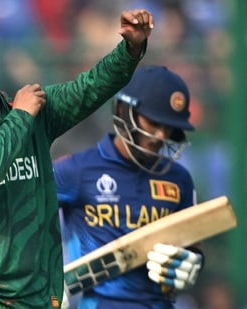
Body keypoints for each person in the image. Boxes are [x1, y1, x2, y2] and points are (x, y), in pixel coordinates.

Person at [0, 9, 154, 309]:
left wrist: (130, 50)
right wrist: (21, 117)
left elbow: (89, 88)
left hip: (33, 294)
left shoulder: (33, 114)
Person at [53, 65, 203, 309]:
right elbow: (24, 221)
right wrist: (45, 275)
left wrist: (192, 264)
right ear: (124, 110)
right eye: (153, 122)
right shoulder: (76, 170)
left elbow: (193, 244)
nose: (160, 135)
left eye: (169, 127)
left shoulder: (179, 179)